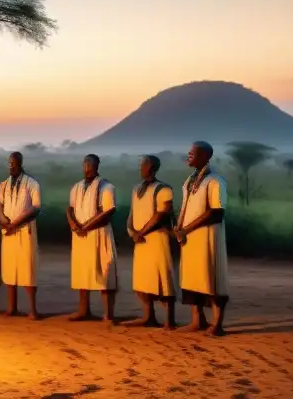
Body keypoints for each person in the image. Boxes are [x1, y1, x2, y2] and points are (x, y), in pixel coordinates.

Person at [175, 141, 229, 336]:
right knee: (191, 278)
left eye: (193, 153)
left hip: (208, 238)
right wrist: (179, 226)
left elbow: (216, 212)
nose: (188, 156)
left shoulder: (215, 181)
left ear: (205, 156)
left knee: (212, 277)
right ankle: (197, 321)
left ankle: (217, 324)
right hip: (189, 239)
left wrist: (186, 229)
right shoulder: (189, 181)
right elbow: (186, 206)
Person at [125, 155, 177, 329]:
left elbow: (161, 215)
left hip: (157, 239)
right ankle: (149, 316)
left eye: (144, 164)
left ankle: (169, 319)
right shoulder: (136, 189)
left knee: (163, 277)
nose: (141, 167)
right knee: (142, 278)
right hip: (140, 240)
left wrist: (141, 232)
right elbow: (132, 213)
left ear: (153, 167)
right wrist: (132, 231)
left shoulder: (164, 189)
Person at [66, 154, 118, 322]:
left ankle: (108, 314)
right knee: (82, 272)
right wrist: (73, 224)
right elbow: (70, 209)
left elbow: (108, 212)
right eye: (85, 163)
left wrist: (86, 226)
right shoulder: (76, 187)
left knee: (105, 272)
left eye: (90, 164)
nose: (87, 167)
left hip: (99, 234)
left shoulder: (106, 187)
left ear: (97, 166)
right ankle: (83, 310)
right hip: (80, 236)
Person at [0, 151, 41, 319]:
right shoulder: (4, 184)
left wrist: (15, 223)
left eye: (14, 163)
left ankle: (32, 309)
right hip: (8, 230)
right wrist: (3, 220)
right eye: (9, 163)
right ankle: (11, 307)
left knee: (27, 268)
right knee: (9, 268)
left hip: (24, 231)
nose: (11, 166)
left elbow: (35, 208)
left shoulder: (32, 183)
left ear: (20, 164)